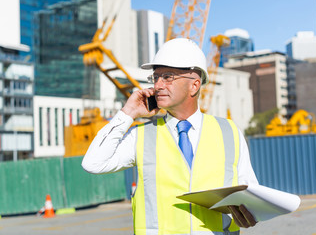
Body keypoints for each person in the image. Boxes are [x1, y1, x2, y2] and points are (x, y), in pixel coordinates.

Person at [82, 38, 258, 234]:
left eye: (167, 77)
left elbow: (250, 194)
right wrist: (128, 113)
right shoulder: (141, 136)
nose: (158, 85)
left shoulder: (229, 132)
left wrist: (249, 214)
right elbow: (93, 163)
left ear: (194, 85)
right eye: (155, 77)